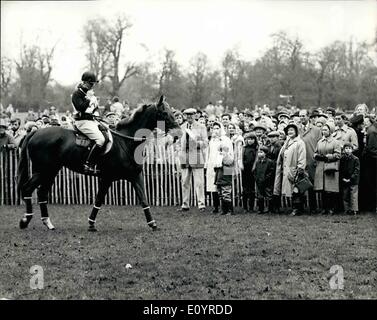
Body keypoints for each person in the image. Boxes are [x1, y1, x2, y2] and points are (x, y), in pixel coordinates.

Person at [71, 71, 105, 174]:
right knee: (100, 140)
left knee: (108, 133)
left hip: (92, 120)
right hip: (82, 121)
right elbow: (80, 108)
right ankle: (88, 164)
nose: (93, 86)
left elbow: (96, 109)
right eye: (91, 84)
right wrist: (89, 98)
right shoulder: (77, 94)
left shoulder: (91, 94)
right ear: (85, 83)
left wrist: (100, 119)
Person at [178, 108, 208, 212]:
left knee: (199, 182)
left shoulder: (201, 127)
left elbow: (205, 143)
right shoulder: (182, 127)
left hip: (197, 155)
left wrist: (197, 142)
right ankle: (185, 204)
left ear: (195, 115)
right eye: (187, 115)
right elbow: (178, 142)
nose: (189, 117)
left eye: (191, 115)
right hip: (184, 156)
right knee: (185, 181)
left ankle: (201, 204)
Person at [273, 122, 306, 216]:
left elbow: (302, 157)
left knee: (296, 189)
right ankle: (293, 208)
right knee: (290, 189)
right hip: (286, 169)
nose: (290, 132)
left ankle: (297, 209)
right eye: (288, 130)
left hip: (294, 169)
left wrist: (300, 168)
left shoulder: (299, 142)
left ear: (296, 131)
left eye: (292, 130)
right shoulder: (286, 142)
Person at [313, 122, 341, 215]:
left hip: (330, 167)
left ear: (331, 131)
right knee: (322, 190)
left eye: (326, 130)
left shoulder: (335, 142)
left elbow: (338, 155)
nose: (323, 131)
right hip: (321, 167)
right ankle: (324, 208)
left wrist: (328, 157)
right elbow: (315, 152)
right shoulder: (319, 142)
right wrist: (317, 156)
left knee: (330, 190)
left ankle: (331, 208)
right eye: (323, 130)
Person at [300, 109, 322, 214]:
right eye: (300, 116)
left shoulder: (316, 130)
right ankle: (300, 207)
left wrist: (316, 157)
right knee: (300, 184)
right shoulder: (297, 130)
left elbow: (320, 145)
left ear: (308, 117)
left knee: (312, 186)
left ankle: (313, 208)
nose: (302, 118)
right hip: (300, 161)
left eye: (303, 116)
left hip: (312, 161)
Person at [213, 124, 234, 215]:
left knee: (226, 193)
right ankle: (223, 210)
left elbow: (229, 165)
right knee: (220, 194)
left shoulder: (228, 158)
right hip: (219, 177)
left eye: (223, 150)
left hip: (225, 178)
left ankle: (229, 210)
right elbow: (216, 168)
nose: (222, 152)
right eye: (220, 150)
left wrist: (224, 158)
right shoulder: (218, 158)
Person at [205, 121, 225, 213]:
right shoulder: (211, 141)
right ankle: (215, 207)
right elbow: (208, 153)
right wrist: (207, 163)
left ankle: (223, 206)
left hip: (220, 164)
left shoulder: (223, 140)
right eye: (214, 128)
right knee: (212, 186)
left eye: (217, 128)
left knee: (220, 185)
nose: (215, 130)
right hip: (211, 164)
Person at [240, 132, 259, 213]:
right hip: (245, 169)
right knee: (245, 188)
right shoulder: (244, 148)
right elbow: (240, 157)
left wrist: (254, 166)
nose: (250, 141)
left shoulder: (256, 148)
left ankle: (251, 207)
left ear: (255, 140)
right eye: (249, 139)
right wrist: (241, 165)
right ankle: (245, 207)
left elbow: (256, 158)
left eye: (252, 139)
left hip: (252, 170)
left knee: (252, 189)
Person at [339, 143, 360, 215]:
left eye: (349, 148)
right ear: (344, 150)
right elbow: (340, 169)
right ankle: (346, 209)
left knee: (353, 195)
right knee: (345, 195)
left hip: (353, 180)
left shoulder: (355, 159)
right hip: (344, 179)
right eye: (346, 148)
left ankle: (354, 210)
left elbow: (356, 170)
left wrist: (351, 178)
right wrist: (343, 178)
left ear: (352, 150)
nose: (348, 150)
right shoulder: (342, 159)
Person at [255, 146, 275, 214]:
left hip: (267, 182)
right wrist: (257, 178)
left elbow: (271, 172)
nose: (259, 154)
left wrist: (266, 178)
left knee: (269, 195)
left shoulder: (270, 162)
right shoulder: (258, 162)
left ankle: (270, 209)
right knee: (260, 196)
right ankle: (261, 209)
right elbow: (255, 171)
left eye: (261, 152)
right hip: (259, 181)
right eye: (259, 152)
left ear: (265, 153)